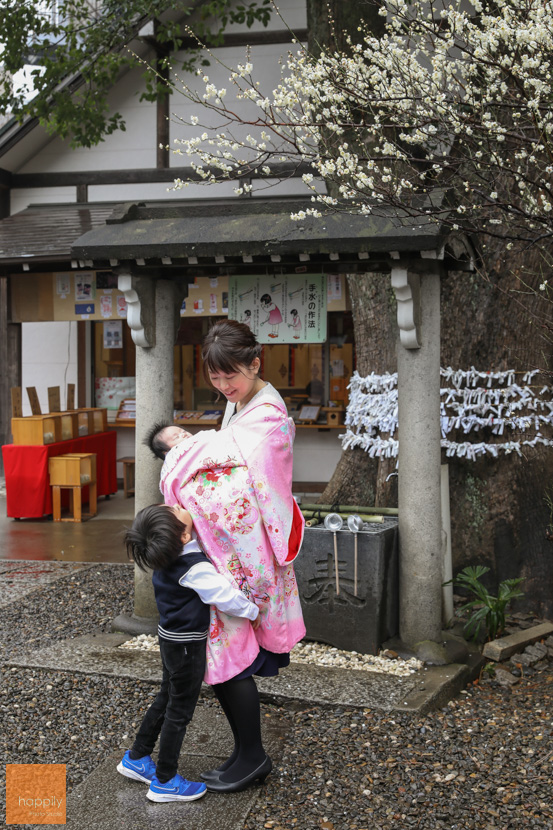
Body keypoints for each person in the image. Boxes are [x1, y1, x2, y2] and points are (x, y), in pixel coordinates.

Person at [158, 318, 306, 794]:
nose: (223, 386)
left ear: (255, 363)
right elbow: (224, 465)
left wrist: (186, 472)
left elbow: (242, 489)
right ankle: (247, 752)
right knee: (225, 650)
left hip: (244, 558)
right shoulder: (243, 404)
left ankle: (252, 755)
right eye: (215, 378)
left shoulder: (268, 418)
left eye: (231, 376)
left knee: (228, 651)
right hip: (233, 553)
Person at [117, 502, 260, 803]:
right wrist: (252, 610)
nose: (177, 504)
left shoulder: (164, 554)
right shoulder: (194, 567)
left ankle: (137, 757)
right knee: (179, 712)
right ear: (182, 537)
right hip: (186, 647)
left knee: (166, 697)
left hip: (169, 640)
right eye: (172, 509)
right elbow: (223, 596)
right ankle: (166, 781)